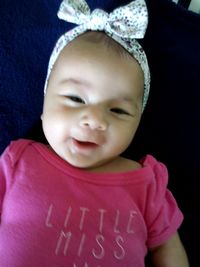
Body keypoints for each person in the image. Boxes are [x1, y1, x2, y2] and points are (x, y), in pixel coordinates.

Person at [0, 0, 189, 266]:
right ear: (44, 104)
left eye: (118, 111)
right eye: (76, 98)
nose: (94, 120)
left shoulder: (146, 182)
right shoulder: (17, 161)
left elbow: (168, 249)